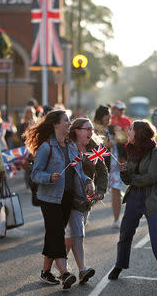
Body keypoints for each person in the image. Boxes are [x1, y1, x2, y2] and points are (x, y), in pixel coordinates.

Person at [24, 110, 94, 289]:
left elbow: (78, 171)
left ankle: (45, 272)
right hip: (50, 199)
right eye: (66, 120)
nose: (69, 123)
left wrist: (88, 181)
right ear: (56, 124)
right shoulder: (46, 147)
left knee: (53, 234)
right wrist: (49, 177)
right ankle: (64, 274)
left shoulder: (71, 146)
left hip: (67, 198)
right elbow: (35, 174)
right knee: (57, 233)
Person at [108, 120, 157, 288]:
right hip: (134, 198)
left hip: (152, 198)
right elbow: (128, 180)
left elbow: (151, 177)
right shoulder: (131, 150)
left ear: (139, 133)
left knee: (156, 238)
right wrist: (124, 172)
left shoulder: (155, 152)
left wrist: (131, 178)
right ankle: (119, 265)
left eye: (130, 129)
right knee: (125, 234)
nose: (127, 131)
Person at [63, 118, 108, 284]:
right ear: (77, 130)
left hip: (86, 200)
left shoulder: (93, 149)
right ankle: (82, 269)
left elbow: (103, 173)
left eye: (92, 129)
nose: (90, 132)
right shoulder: (68, 147)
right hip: (69, 198)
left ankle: (59, 267)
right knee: (78, 233)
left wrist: (101, 191)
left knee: (71, 236)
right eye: (87, 129)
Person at [93, 105, 127, 229]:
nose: (109, 117)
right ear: (100, 116)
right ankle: (82, 213)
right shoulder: (95, 131)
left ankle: (117, 220)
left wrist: (121, 133)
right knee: (96, 194)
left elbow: (124, 138)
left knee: (116, 192)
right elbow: (94, 150)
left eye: (109, 114)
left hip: (115, 168)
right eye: (106, 114)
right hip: (101, 168)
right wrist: (107, 145)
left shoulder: (112, 129)